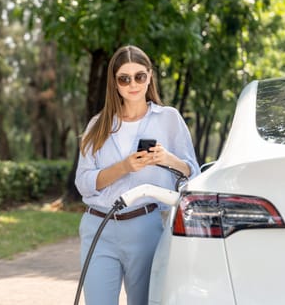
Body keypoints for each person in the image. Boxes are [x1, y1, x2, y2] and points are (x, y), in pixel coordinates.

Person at [75, 45, 200, 305]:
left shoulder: (169, 119)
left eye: (139, 76)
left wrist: (169, 159)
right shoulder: (97, 126)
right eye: (124, 78)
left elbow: (193, 174)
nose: (133, 84)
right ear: (115, 83)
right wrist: (123, 167)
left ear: (150, 75)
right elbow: (83, 183)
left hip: (146, 227)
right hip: (99, 226)